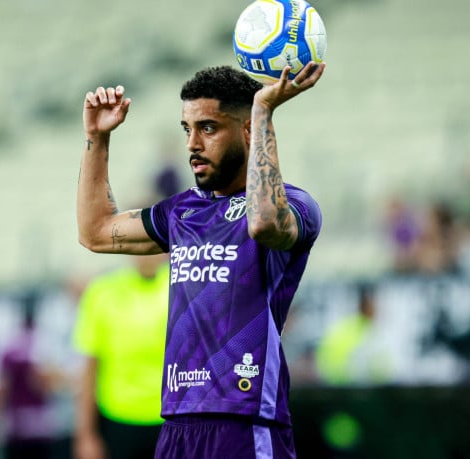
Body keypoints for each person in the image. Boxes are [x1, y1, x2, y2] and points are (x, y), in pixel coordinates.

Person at [76, 61, 325, 459]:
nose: (192, 143)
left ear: (246, 130)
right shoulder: (182, 212)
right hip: (177, 426)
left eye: (208, 128)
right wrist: (97, 139)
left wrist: (263, 115)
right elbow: (95, 232)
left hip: (244, 421)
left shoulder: (295, 205)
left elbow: (262, 224)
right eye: (187, 129)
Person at [72, 253, 169, 459]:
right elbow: (90, 369)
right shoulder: (102, 291)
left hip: (169, 420)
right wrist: (86, 435)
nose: (148, 253)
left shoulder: (183, 287)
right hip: (116, 420)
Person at [0, 292, 59, 459]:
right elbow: (42, 382)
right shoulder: (43, 341)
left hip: (15, 424)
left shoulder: (8, 342)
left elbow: (1, 388)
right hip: (39, 424)